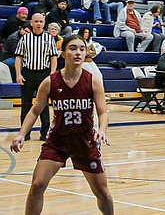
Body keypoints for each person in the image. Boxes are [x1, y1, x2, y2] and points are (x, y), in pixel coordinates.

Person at [10, 34, 114, 215]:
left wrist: (102, 130)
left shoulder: (93, 81)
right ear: (63, 53)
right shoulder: (50, 81)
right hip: (57, 141)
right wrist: (21, 134)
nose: (78, 52)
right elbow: (35, 110)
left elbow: (103, 112)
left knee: (102, 193)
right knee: (37, 184)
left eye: (82, 49)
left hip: (85, 141)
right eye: (73, 48)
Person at [15, 13, 58, 141]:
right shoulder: (25, 38)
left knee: (44, 104)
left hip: (44, 74)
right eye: (36, 21)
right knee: (26, 104)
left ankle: (45, 133)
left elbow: (53, 58)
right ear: (32, 23)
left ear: (44, 23)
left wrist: (52, 74)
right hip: (28, 73)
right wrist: (18, 74)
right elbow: (18, 57)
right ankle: (25, 133)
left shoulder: (49, 38)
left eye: (41, 21)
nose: (39, 23)